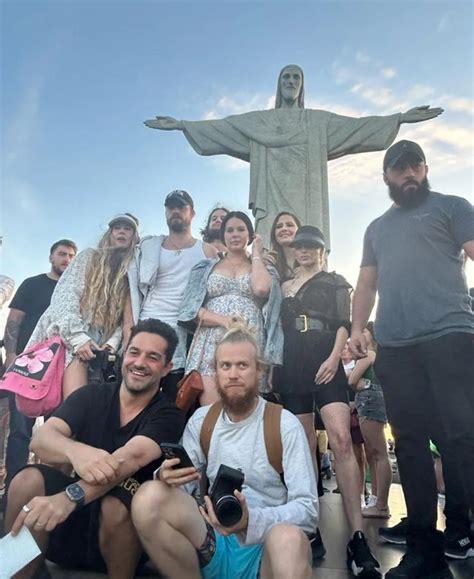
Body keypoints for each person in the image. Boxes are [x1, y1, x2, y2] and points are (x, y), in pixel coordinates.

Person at [350, 139, 474, 578]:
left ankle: (463, 526)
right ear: (386, 177)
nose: (407, 175)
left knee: (461, 436)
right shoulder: (376, 228)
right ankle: (425, 548)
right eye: (398, 169)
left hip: (451, 336)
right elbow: (366, 284)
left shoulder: (453, 206)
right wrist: (358, 328)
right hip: (396, 346)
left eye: (414, 167)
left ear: (425, 169)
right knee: (409, 444)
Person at [144, 64, 443, 245]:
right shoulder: (259, 122)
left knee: (307, 244)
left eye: (295, 78)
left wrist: (399, 118)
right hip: (271, 197)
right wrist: (183, 125)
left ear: (301, 86)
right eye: (285, 77)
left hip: (307, 198)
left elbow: (357, 128)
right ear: (279, 84)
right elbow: (224, 128)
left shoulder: (317, 122)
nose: (290, 82)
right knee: (270, 248)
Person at [131, 323, 317, 579]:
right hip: (212, 543)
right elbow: (182, 492)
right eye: (225, 366)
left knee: (290, 538)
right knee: (149, 497)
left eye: (242, 365)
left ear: (259, 371)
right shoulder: (202, 420)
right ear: (215, 372)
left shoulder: (285, 424)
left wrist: (251, 520)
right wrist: (166, 478)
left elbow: (308, 509)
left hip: (264, 549)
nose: (233, 375)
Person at [5, 318, 186, 579]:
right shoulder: (91, 395)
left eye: (153, 357)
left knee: (117, 506)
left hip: (122, 538)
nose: (139, 363)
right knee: (26, 480)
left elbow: (129, 459)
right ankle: (14, 572)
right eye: (134, 352)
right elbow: (42, 439)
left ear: (167, 367)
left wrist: (68, 497)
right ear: (124, 354)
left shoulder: (167, 414)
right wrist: (76, 451)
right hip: (72, 524)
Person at [273, 225, 381, 577]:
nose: (304, 251)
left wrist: (335, 358)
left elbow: (341, 323)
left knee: (341, 439)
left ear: (322, 250)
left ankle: (357, 534)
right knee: (302, 446)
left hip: (326, 358)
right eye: (299, 246)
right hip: (292, 363)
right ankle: (309, 524)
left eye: (311, 246)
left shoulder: (335, 280)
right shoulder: (284, 286)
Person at [178, 211, 283, 404]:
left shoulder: (261, 267)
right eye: (230, 230)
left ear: (250, 235)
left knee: (245, 408)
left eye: (241, 229)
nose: (235, 234)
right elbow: (189, 311)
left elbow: (261, 289)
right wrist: (224, 320)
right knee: (212, 410)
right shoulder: (205, 267)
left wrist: (258, 254)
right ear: (223, 235)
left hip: (251, 337)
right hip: (211, 340)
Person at [28, 215, 138, 399]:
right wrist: (78, 338)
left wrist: (112, 343)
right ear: (109, 233)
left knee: (94, 411)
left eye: (127, 229)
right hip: (72, 339)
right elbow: (65, 297)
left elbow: (125, 317)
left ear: (134, 236)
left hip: (103, 346)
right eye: (117, 227)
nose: (121, 231)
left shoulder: (131, 271)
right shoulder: (89, 257)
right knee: (73, 407)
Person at [2, 240, 77, 499]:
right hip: (28, 367)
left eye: (70, 256)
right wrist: (11, 355)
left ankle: (48, 490)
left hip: (60, 371)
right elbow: (14, 321)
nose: (66, 259)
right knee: (20, 431)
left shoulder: (77, 290)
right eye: (61, 254)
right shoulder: (32, 284)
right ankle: (13, 490)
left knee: (57, 430)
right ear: (50, 257)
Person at [127, 190, 217, 399]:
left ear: (192, 213)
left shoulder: (207, 251)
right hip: (147, 325)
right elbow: (129, 288)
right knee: (135, 394)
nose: (175, 211)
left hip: (184, 332)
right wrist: (128, 328)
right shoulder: (148, 247)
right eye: (170, 207)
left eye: (181, 207)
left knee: (173, 399)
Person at [348, 323, 392, 518]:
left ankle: (381, 504)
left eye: (364, 331)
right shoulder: (376, 356)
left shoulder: (368, 354)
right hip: (372, 403)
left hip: (369, 403)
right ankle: (377, 500)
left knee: (378, 453)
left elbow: (350, 380)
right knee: (375, 454)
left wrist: (356, 382)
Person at [264, 211, 301, 281]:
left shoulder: (310, 262)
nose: (284, 229)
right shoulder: (270, 264)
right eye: (279, 226)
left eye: (289, 225)